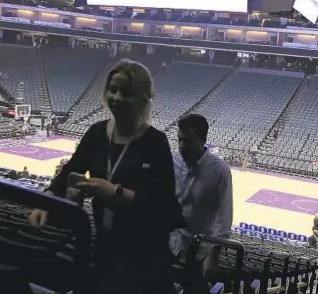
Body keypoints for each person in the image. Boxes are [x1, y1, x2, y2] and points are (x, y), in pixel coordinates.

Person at [28, 59, 184, 294]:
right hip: (103, 241)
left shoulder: (156, 143)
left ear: (144, 98)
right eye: (113, 89)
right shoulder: (96, 133)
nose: (117, 98)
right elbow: (70, 169)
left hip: (142, 250)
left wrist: (115, 193)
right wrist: (48, 200)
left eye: (127, 92)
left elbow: (162, 206)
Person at [170, 114, 233, 294]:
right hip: (169, 247)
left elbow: (224, 218)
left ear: (203, 139)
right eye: (179, 140)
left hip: (198, 254)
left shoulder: (220, 170)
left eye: (187, 141)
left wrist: (213, 257)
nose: (182, 146)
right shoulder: (171, 160)